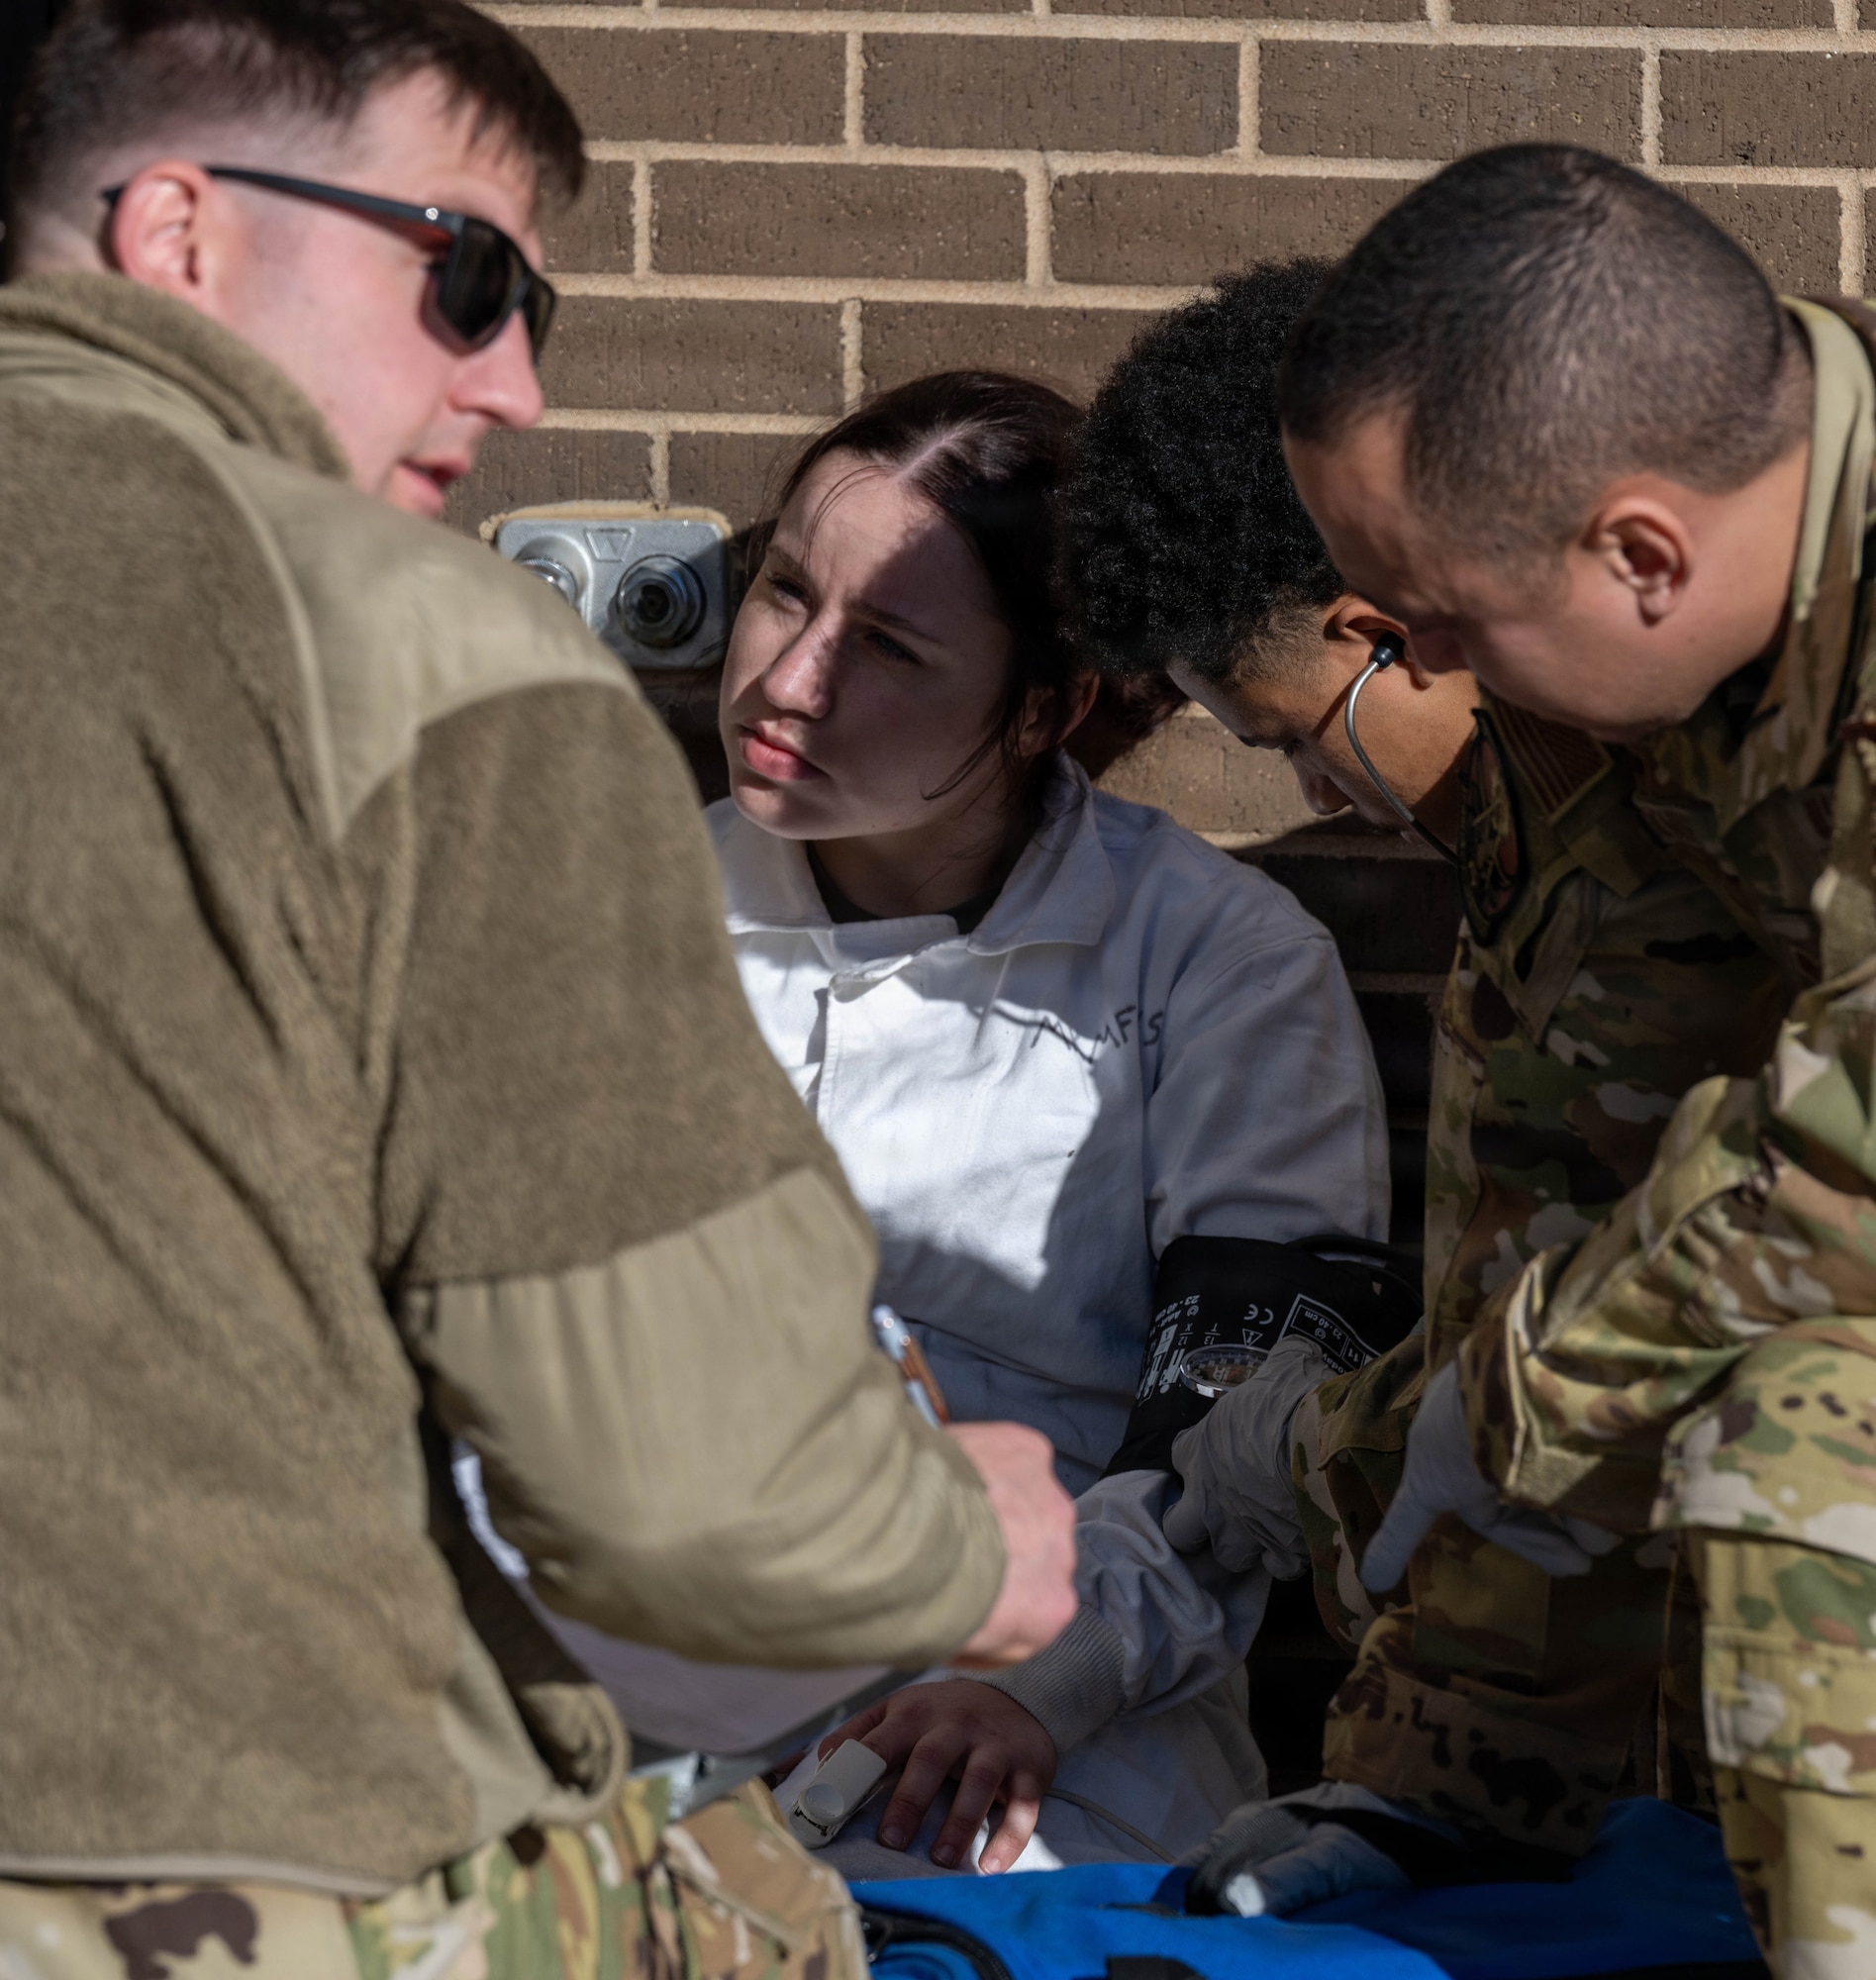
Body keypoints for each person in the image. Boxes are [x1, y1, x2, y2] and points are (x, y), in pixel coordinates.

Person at [0, 4, 1077, 1974]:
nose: (505, 378)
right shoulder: (412, 657)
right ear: (178, 230)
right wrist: (953, 1541)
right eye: (465, 275)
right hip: (206, 1862)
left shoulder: (1194, 951)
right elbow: (681, 1484)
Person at [1058, 255, 1798, 1919]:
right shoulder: (1529, 855)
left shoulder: (1746, 787)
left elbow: (1636, 1327)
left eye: (1301, 737)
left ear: (1381, 631)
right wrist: (1426, 1787)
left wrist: (1326, 1449)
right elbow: (1512, 1323)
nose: (1330, 794)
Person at [1257, 144, 1876, 1972]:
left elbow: (1839, 1173)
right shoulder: (1702, 658)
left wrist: (1505, 1400)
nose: (1410, 657)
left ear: (1639, 552)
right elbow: (1582, 1168)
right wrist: (1432, 1777)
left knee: (1810, 1444)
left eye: (1434, 615)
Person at [707, 370, 1392, 1873]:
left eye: (884, 645)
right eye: (782, 595)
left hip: (1032, 1730)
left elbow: (1245, 1421)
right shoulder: (598, 913)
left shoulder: (1218, 962)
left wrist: (1038, 1686)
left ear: (1047, 708)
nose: (790, 680)